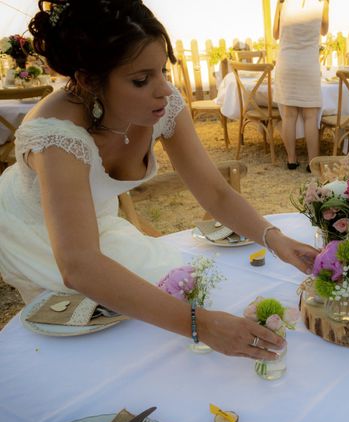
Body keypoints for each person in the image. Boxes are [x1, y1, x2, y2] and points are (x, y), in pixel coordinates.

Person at [0, 0, 317, 361]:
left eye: (162, 71)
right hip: (34, 232)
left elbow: (214, 191)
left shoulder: (164, 106)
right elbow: (78, 265)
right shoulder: (56, 136)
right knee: (89, 342)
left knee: (158, 308)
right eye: (141, 80)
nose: (164, 89)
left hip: (95, 226)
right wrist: (202, 325)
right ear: (90, 81)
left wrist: (274, 239)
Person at [273, 0, 330, 170]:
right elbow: (324, 31)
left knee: (289, 116)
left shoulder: (282, 4)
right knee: (310, 117)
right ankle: (313, 162)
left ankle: (292, 159)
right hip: (308, 65)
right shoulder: (322, 4)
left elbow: (275, 34)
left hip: (286, 63)